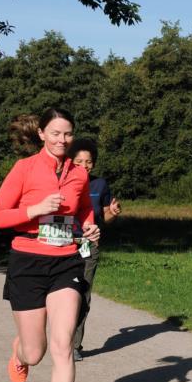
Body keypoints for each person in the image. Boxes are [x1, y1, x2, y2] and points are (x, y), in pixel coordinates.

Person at [0, 108, 100, 382]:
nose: (61, 140)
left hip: (66, 260)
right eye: (55, 134)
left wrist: (90, 226)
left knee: (63, 343)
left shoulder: (78, 174)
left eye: (67, 134)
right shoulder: (24, 169)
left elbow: (83, 210)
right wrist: (35, 209)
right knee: (35, 352)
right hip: (27, 261)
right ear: (41, 133)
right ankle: (19, 351)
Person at [68, 137, 121, 360]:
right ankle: (59, 336)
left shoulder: (100, 185)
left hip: (89, 244)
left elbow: (105, 216)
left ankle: (74, 345)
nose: (84, 165)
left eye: (88, 161)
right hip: (66, 244)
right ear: (70, 162)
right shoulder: (63, 182)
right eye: (79, 161)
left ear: (94, 164)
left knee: (83, 295)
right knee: (63, 294)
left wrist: (114, 213)